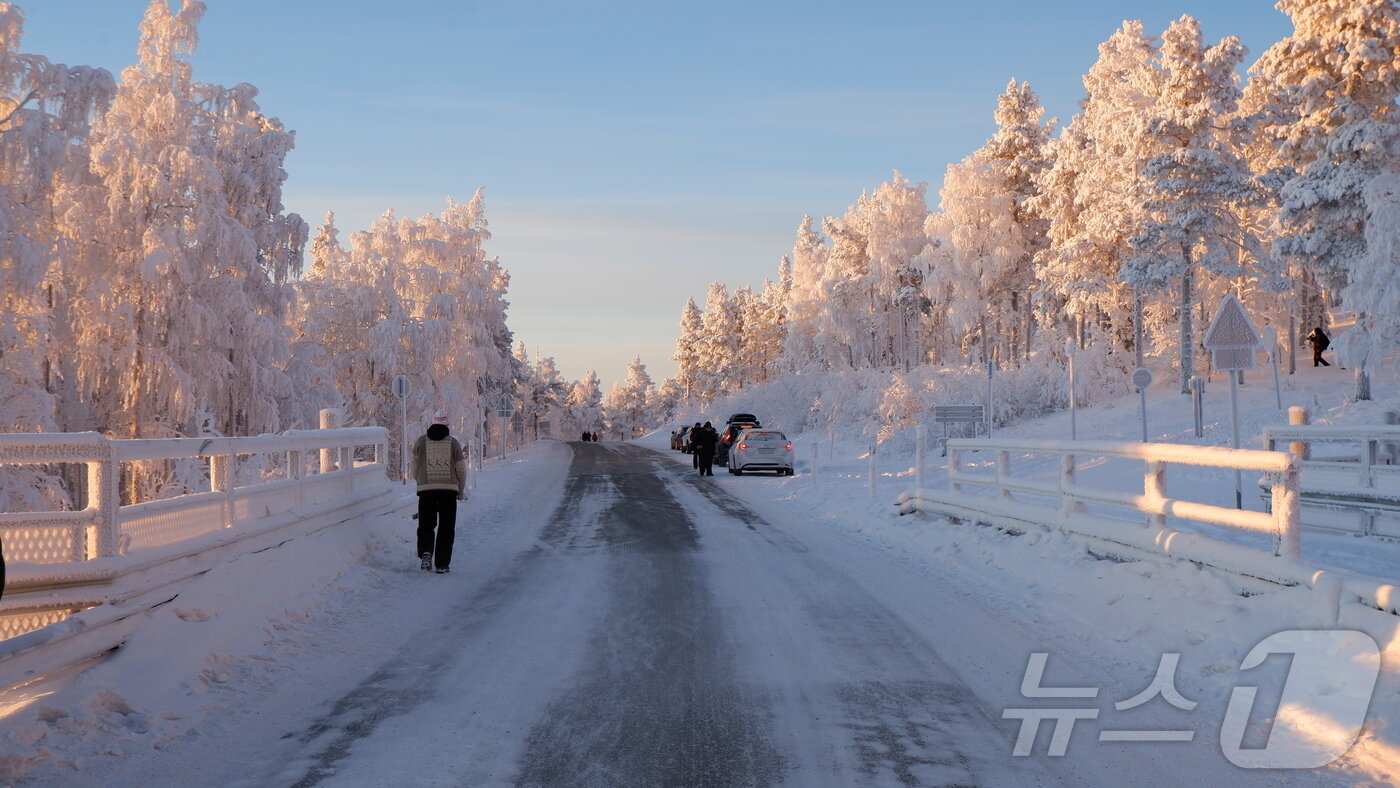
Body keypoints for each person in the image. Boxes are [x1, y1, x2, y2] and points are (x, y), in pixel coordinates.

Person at [411, 411, 467, 574]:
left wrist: (422, 481)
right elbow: (461, 470)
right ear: (447, 425)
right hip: (448, 491)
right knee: (446, 526)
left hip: (426, 490)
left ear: (432, 423)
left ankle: (426, 551)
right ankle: (442, 564)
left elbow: (414, 468)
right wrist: (460, 490)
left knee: (426, 524)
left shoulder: (421, 441)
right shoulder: (453, 443)